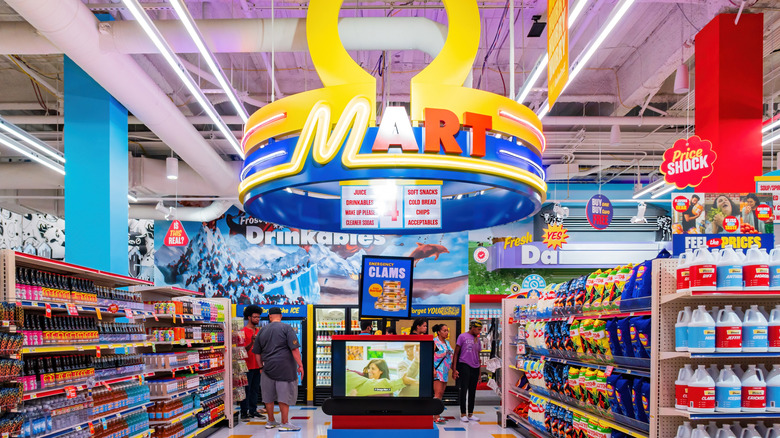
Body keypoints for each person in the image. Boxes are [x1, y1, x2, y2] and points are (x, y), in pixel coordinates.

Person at [253, 307, 304, 431]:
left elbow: (257, 353)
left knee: (268, 396)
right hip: (285, 368)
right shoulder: (286, 328)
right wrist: (300, 365)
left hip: (267, 368)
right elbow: (295, 349)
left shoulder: (262, 330)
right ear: (281, 316)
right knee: (284, 395)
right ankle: (285, 423)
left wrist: (261, 367)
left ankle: (270, 421)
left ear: (270, 317)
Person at [453, 320, 483, 422]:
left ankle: (471, 413)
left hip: (475, 367)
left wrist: (479, 374)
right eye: (478, 329)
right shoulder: (462, 337)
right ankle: (463, 413)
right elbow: (456, 353)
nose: (479, 332)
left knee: (472, 391)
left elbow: (478, 355)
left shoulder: (477, 340)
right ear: (472, 327)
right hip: (464, 364)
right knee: (464, 389)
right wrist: (454, 369)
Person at [240, 305, 265, 421]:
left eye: (258, 317)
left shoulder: (260, 331)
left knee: (255, 389)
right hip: (246, 365)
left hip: (257, 365)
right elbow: (241, 350)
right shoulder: (243, 331)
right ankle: (244, 412)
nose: (257, 319)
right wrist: (251, 342)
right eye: (255, 317)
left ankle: (253, 410)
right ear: (249, 317)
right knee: (246, 390)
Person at [432, 324, 454, 424]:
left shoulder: (447, 343)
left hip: (445, 371)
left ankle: (437, 414)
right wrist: (433, 369)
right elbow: (429, 356)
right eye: (444, 330)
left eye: (447, 330)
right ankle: (434, 415)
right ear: (439, 332)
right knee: (438, 393)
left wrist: (454, 369)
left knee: (441, 393)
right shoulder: (435, 342)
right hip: (438, 371)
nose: (446, 332)